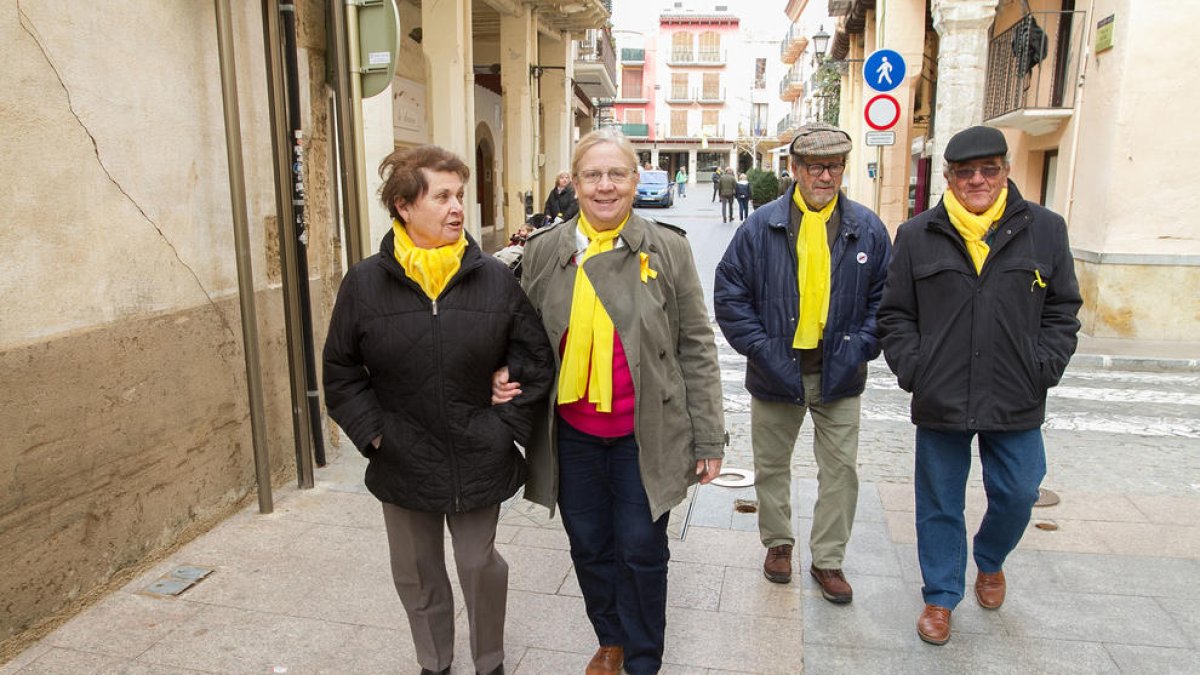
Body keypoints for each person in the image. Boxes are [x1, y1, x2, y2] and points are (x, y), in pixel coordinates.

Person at [496, 128, 726, 675]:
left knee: (642, 551)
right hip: (572, 434)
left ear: (634, 179)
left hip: (646, 434)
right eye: (592, 175)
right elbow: (521, 334)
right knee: (590, 545)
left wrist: (709, 435)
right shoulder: (547, 249)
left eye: (616, 174)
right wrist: (504, 373)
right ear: (574, 185)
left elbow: (696, 342)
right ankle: (612, 638)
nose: (605, 186)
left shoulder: (665, 247)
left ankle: (644, 659)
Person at [322, 145, 555, 675]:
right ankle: (435, 663)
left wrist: (505, 424)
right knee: (417, 572)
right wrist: (376, 436)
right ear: (404, 206)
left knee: (479, 564)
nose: (457, 209)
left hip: (479, 450)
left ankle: (489, 661)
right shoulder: (363, 283)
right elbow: (340, 370)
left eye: (460, 196)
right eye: (443, 196)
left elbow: (534, 357)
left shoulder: (494, 278)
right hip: (401, 455)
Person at [877, 126, 1081, 646]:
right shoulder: (918, 233)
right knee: (939, 501)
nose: (977, 180)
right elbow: (896, 313)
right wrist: (914, 369)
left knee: (1019, 491)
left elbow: (1063, 309)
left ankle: (990, 560)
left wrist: (1044, 366)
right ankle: (940, 598)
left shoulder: (1047, 230)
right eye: (965, 172)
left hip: (1016, 393)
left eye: (989, 169)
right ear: (948, 177)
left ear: (1006, 171)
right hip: (941, 393)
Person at [714, 123, 891, 604]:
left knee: (841, 471)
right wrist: (763, 350)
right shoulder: (760, 226)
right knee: (771, 467)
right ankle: (778, 543)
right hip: (776, 371)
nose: (826, 176)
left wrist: (860, 346)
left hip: (841, 371)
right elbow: (730, 295)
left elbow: (886, 300)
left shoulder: (867, 228)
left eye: (835, 166)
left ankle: (829, 559)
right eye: (816, 167)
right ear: (794, 170)